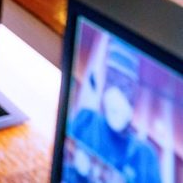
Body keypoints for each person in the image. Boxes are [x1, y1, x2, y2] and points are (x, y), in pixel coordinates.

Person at [65, 43, 161, 183]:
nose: (116, 95)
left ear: (134, 96)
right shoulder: (87, 121)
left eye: (125, 87)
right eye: (111, 80)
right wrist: (76, 170)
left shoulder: (145, 156)